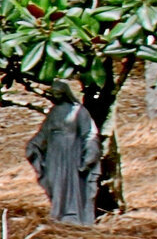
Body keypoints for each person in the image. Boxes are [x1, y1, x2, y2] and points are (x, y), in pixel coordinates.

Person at [26, 82, 103, 224]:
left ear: (65, 93)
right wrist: (33, 145)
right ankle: (59, 213)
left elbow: (89, 134)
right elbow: (44, 133)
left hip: (71, 153)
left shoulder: (78, 111)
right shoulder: (54, 112)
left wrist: (89, 154)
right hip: (54, 154)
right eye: (53, 93)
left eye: (58, 93)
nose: (55, 96)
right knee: (55, 181)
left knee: (71, 182)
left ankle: (73, 214)